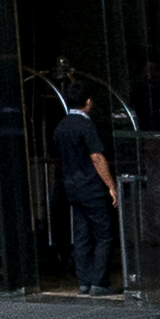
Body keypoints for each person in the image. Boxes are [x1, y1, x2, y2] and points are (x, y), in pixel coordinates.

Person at [43, 56, 120, 293]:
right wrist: (111, 186)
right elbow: (97, 157)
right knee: (104, 234)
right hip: (92, 187)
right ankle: (99, 281)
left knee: (82, 236)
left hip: (71, 187)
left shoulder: (61, 127)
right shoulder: (86, 126)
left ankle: (84, 281)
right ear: (87, 102)